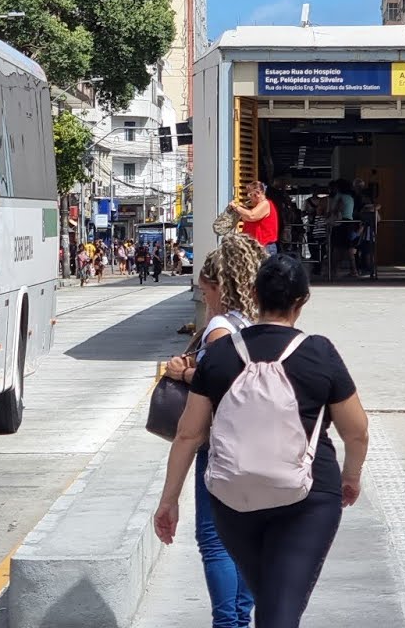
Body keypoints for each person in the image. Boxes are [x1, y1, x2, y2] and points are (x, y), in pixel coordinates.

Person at [154, 254, 370, 628]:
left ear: (253, 294)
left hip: (234, 500)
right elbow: (357, 431)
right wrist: (350, 476)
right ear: (302, 301)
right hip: (310, 499)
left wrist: (169, 500)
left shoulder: (219, 355)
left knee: (270, 603)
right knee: (277, 613)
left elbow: (188, 434)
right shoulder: (319, 353)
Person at [161, 234, 266, 628]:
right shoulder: (253, 322)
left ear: (220, 287)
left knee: (215, 542)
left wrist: (184, 373)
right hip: (256, 445)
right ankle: (239, 617)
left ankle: (230, 622)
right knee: (246, 540)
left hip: (220, 445)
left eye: (205, 292)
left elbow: (225, 383)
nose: (205, 300)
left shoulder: (220, 326)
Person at [228, 182, 278, 255]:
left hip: (264, 248)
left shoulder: (265, 204)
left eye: (250, 194)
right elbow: (247, 218)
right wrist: (242, 210)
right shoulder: (257, 207)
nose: (249, 197)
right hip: (255, 247)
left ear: (257, 193)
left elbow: (251, 216)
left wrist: (236, 207)